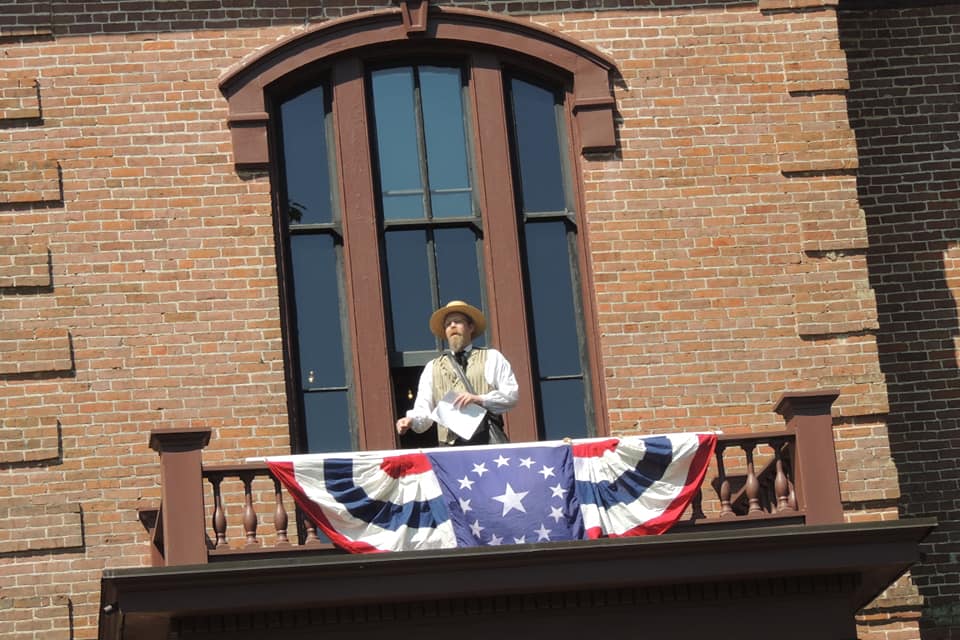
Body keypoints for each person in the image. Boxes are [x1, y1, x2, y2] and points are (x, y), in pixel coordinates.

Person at [395, 300, 519, 446]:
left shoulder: (492, 357)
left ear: (470, 327)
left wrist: (479, 399)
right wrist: (411, 420)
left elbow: (511, 395)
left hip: (485, 443)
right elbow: (424, 409)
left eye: (457, 322)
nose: (452, 326)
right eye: (448, 324)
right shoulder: (432, 367)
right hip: (450, 450)